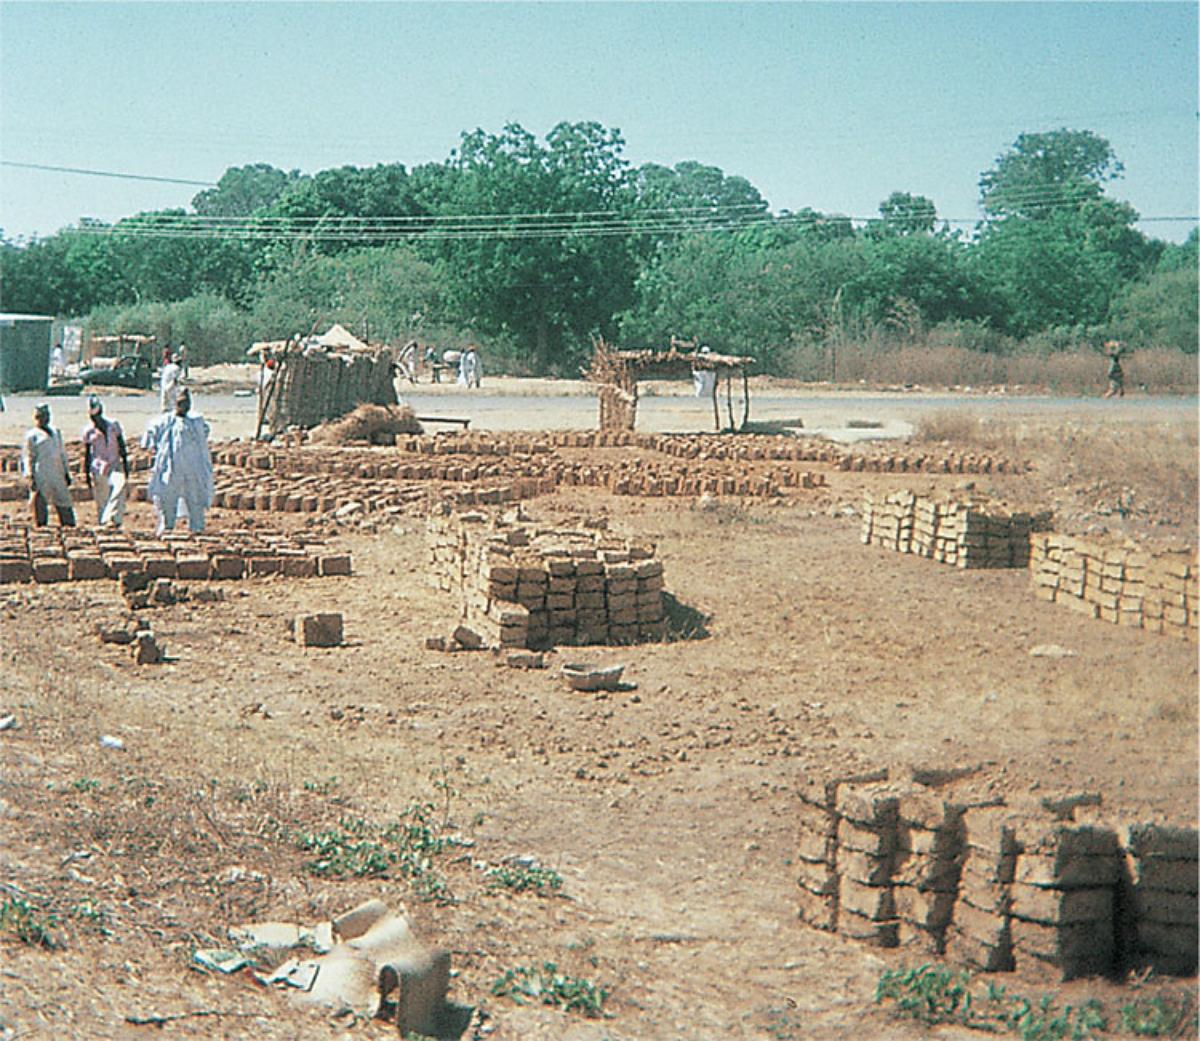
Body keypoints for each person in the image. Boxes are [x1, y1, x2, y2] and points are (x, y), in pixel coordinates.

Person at [141, 389, 213, 535]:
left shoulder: (196, 421)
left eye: (186, 403)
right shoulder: (165, 421)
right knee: (168, 498)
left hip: (193, 468)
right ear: (175, 404)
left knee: (195, 498)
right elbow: (150, 436)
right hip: (171, 468)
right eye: (181, 403)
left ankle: (197, 528)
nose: (184, 406)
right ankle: (167, 527)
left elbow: (206, 431)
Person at [21, 403, 76, 527]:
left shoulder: (56, 432)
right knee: (40, 501)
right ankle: (41, 527)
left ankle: (68, 526)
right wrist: (30, 476)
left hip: (58, 472)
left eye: (46, 416)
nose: (44, 419)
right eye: (40, 416)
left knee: (64, 501)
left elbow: (62, 453)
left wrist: (67, 472)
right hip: (41, 472)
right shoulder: (32, 435)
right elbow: (28, 457)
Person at [81, 395, 129, 527]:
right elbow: (86, 454)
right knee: (102, 499)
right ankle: (104, 525)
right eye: (92, 416)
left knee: (120, 485)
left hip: (114, 464)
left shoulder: (114, 425)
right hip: (98, 468)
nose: (95, 419)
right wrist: (86, 475)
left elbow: (122, 446)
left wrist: (126, 466)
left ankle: (113, 519)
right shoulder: (88, 431)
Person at [159, 347, 181, 412]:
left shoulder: (168, 366)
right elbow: (175, 380)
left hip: (163, 384)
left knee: (165, 402)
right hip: (169, 385)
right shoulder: (176, 368)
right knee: (173, 401)